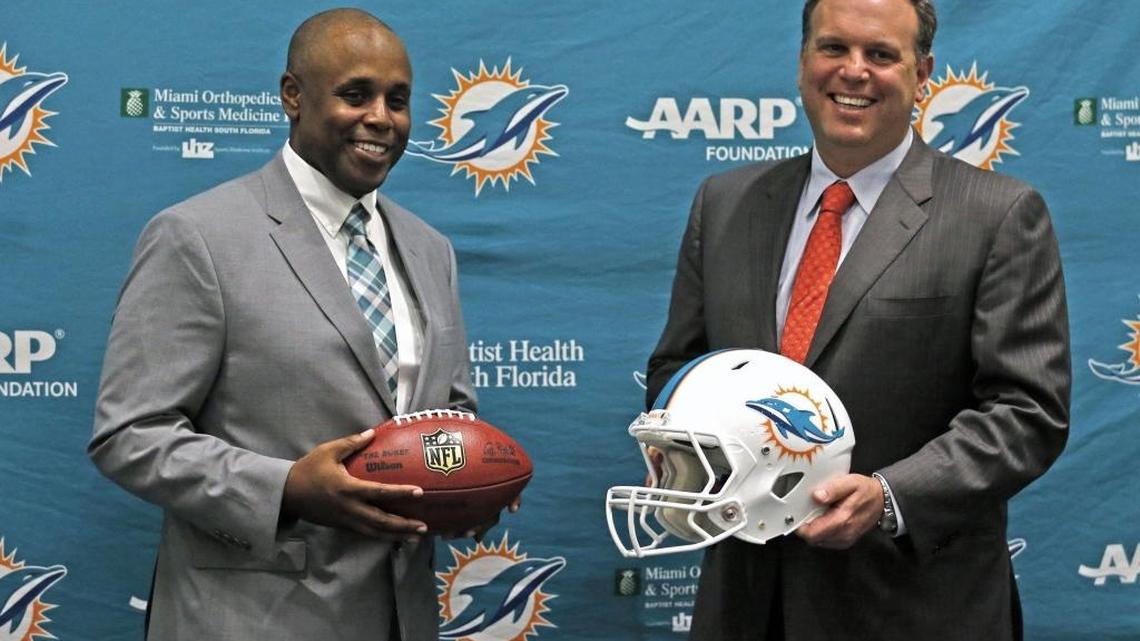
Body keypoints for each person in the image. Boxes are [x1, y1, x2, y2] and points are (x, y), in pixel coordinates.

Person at [644, 0, 1070, 639]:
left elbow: (1027, 412)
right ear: (801, 62)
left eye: (880, 55)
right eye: (833, 48)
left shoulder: (998, 215)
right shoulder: (725, 203)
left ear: (922, 71)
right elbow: (679, 369)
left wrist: (889, 496)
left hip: (912, 604)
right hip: (744, 600)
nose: (853, 71)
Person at [90, 9, 482, 641]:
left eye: (399, 100)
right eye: (356, 94)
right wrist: (286, 487)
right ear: (293, 97)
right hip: (249, 620)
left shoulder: (429, 247)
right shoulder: (199, 237)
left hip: (402, 617)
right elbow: (130, 435)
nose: (381, 118)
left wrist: (466, 484)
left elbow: (448, 414)